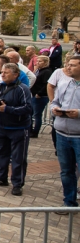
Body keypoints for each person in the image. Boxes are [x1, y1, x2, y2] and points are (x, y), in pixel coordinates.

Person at [0, 62, 33, 196]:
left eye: (6, 72)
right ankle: (1, 177)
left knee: (18, 158)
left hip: (18, 128)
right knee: (1, 153)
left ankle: (17, 183)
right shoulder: (0, 86)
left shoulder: (23, 89)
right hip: (2, 126)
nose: (3, 74)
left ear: (16, 74)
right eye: (2, 72)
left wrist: (8, 109)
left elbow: (28, 108)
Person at [50, 56, 80, 212]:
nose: (68, 68)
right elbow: (55, 102)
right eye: (68, 65)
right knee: (67, 171)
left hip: (78, 136)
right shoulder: (64, 84)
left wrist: (79, 114)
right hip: (62, 134)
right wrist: (54, 110)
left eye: (73, 65)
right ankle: (69, 202)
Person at [30, 55, 52, 138]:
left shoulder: (47, 72)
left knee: (37, 114)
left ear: (45, 62)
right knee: (31, 113)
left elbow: (46, 84)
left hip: (40, 96)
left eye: (40, 61)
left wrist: (39, 93)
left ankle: (35, 131)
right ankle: (30, 129)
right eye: (37, 61)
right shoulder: (38, 70)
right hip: (34, 94)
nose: (37, 63)